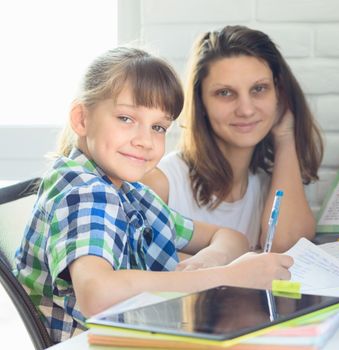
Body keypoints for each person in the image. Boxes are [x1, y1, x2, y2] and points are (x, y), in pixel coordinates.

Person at [14, 47, 293, 343]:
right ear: (81, 119)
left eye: (158, 127)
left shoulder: (131, 193)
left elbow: (231, 236)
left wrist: (211, 258)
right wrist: (228, 277)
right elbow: (97, 293)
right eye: (126, 118)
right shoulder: (84, 191)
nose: (145, 141)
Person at [142, 25, 324, 252]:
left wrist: (285, 138)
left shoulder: (272, 183)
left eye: (259, 89)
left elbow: (289, 248)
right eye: (225, 93)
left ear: (279, 93)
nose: (246, 110)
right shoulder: (162, 183)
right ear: (201, 102)